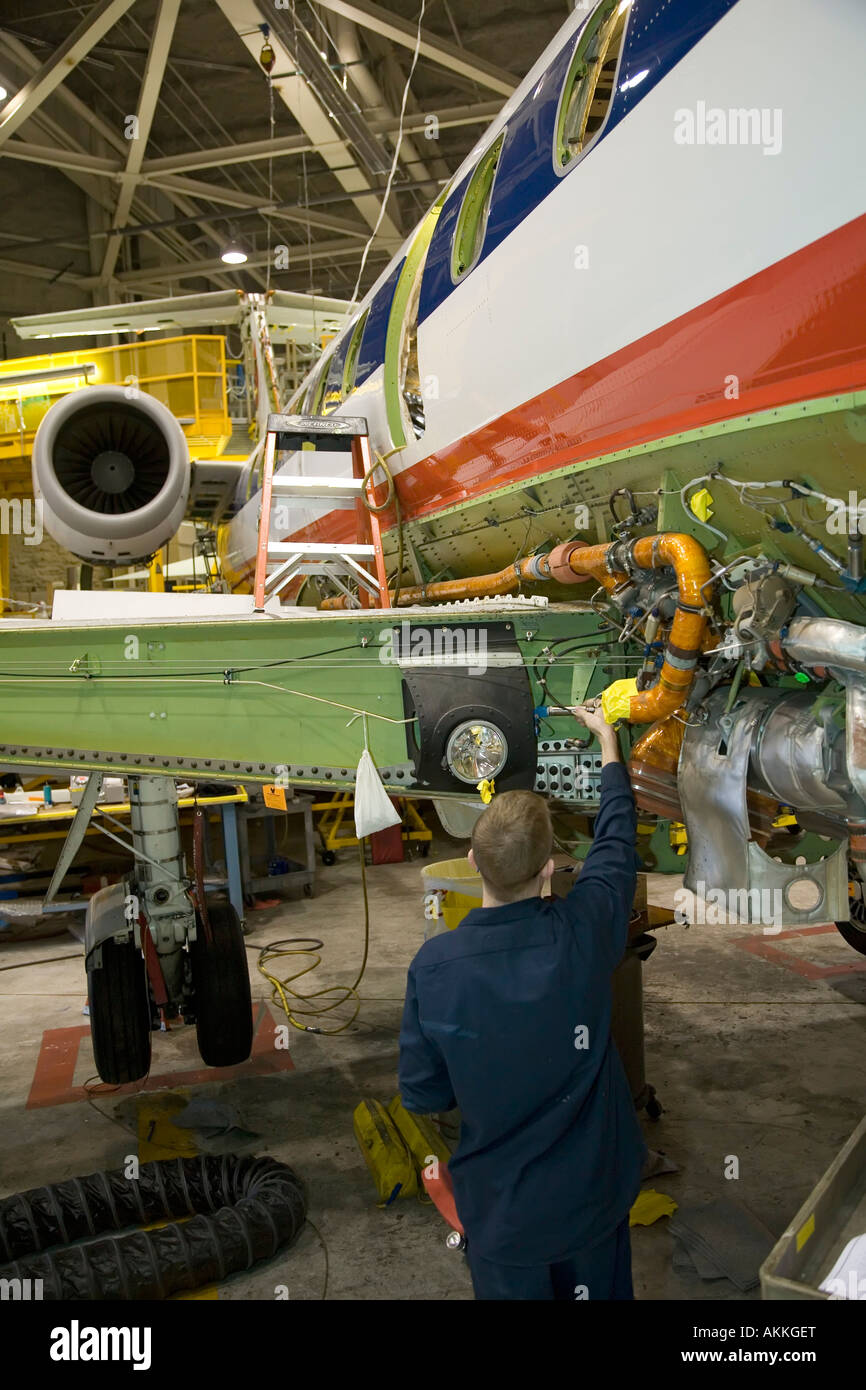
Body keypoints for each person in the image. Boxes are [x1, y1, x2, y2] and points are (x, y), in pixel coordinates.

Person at [398, 702, 647, 1300]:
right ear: (548, 870)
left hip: (503, 1219)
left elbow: (425, 1094)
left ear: (473, 860)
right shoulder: (584, 932)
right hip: (593, 1204)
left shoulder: (433, 970)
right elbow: (616, 843)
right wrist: (609, 748)